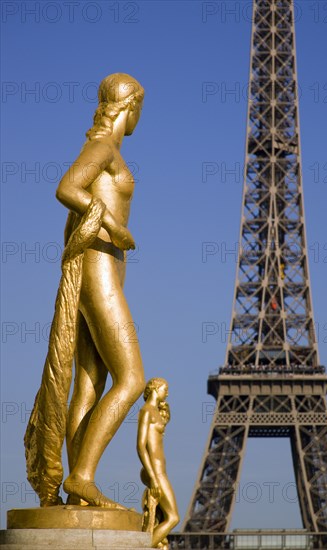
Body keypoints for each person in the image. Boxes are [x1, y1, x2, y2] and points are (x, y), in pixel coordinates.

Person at [56, 73, 146, 508]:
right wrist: (113, 225)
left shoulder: (107, 148)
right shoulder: (104, 148)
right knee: (131, 379)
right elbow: (67, 187)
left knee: (91, 386)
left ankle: (78, 493)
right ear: (131, 106)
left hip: (101, 271)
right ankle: (83, 475)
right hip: (100, 274)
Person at [137, 378, 179, 548]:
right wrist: (153, 477)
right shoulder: (146, 411)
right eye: (165, 389)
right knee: (173, 517)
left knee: (164, 517)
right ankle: (143, 547)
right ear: (155, 388)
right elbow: (140, 446)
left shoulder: (154, 411)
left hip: (159, 471)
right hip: (155, 471)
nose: (167, 393)